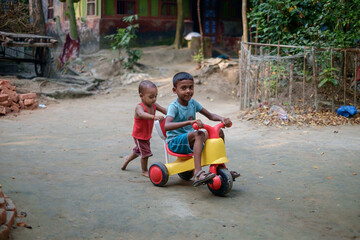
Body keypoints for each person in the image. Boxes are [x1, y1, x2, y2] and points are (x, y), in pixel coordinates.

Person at [165, 72, 240, 187]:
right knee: (198, 134)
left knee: (218, 132)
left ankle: (220, 165)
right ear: (175, 90)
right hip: (175, 142)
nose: (188, 91)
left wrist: (222, 119)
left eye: (191, 87)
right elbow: (166, 125)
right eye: (183, 88)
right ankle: (197, 172)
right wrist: (190, 122)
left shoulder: (192, 103)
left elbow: (210, 115)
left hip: (189, 139)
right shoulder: (174, 107)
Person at [122, 80, 167, 177]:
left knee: (138, 151)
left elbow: (164, 110)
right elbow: (142, 114)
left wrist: (173, 114)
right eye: (151, 97)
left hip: (146, 134)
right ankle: (144, 170)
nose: (154, 99)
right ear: (141, 96)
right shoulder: (139, 107)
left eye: (156, 96)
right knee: (146, 153)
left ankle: (127, 159)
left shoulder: (154, 105)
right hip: (139, 135)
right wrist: (154, 117)